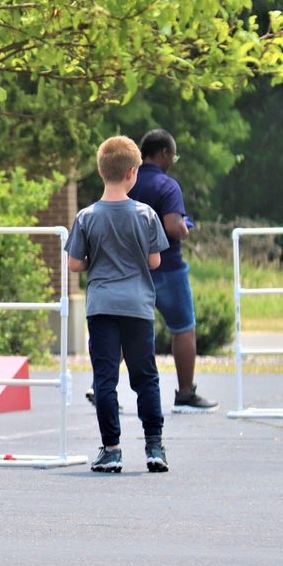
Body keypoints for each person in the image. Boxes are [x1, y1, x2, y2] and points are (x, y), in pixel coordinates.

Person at [66, 136, 170, 473]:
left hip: (101, 306)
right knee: (145, 377)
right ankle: (154, 446)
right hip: (137, 305)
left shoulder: (86, 217)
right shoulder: (146, 215)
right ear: (132, 173)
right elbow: (154, 261)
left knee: (105, 379)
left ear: (100, 170)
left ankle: (111, 449)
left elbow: (74, 264)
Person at [129, 129, 218, 413]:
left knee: (124, 328)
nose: (173, 160)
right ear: (165, 153)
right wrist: (185, 227)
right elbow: (172, 226)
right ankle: (185, 394)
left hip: (132, 269)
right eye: (174, 155)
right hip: (168, 269)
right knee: (183, 329)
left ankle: (100, 386)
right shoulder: (167, 186)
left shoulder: (126, 182)